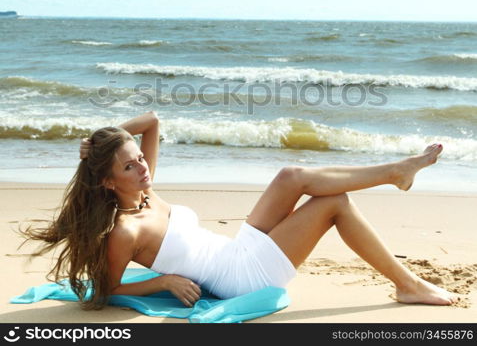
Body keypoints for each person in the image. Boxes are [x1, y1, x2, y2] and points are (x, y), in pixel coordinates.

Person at [21, 111, 458, 310]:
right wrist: (163, 282)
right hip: (241, 278)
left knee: (290, 174)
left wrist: (99, 140)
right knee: (335, 203)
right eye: (129, 166)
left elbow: (152, 120)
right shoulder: (124, 231)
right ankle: (407, 283)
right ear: (107, 181)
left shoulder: (148, 193)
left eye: (140, 159)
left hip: (237, 250)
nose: (143, 168)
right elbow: (104, 292)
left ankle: (396, 171)